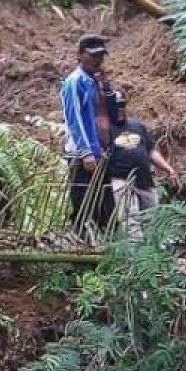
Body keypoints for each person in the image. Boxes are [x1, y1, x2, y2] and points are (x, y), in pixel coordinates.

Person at [102, 85, 180, 239]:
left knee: (153, 220)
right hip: (121, 181)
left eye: (122, 105)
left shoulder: (137, 126)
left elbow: (151, 151)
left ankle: (152, 256)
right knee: (130, 223)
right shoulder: (105, 129)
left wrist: (169, 170)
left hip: (144, 180)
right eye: (116, 105)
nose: (120, 109)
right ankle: (134, 257)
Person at [61, 35, 113, 235]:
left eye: (101, 56)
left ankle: (106, 248)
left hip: (99, 152)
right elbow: (73, 118)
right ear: (80, 56)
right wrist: (86, 152)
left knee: (104, 205)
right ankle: (80, 248)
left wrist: (105, 87)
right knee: (83, 206)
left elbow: (107, 115)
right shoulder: (75, 82)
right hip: (82, 156)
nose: (98, 60)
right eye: (93, 56)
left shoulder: (94, 82)